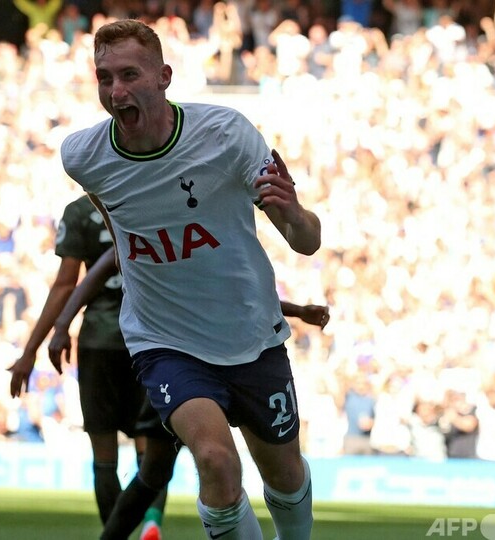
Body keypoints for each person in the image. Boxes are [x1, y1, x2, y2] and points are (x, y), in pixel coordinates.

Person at [59, 19, 322, 540]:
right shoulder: (82, 156)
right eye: (105, 77)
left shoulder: (225, 134)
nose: (116, 91)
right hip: (165, 342)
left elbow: (306, 241)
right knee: (215, 460)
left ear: (164, 77)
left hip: (250, 334)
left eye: (129, 74)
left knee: (285, 475)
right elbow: (121, 234)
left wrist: (294, 212)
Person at [48, 246, 331, 539]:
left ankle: (140, 528)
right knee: (162, 465)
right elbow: (103, 265)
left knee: (155, 469)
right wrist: (61, 324)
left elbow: (230, 293)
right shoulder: (139, 230)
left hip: (212, 358)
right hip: (168, 361)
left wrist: (296, 311)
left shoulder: (200, 238)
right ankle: (140, 528)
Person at [8, 194, 168, 540]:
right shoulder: (154, 195)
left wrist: (32, 349)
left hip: (100, 341)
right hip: (151, 338)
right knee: (151, 448)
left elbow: (66, 284)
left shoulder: (80, 211)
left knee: (104, 451)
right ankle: (151, 522)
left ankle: (116, 535)